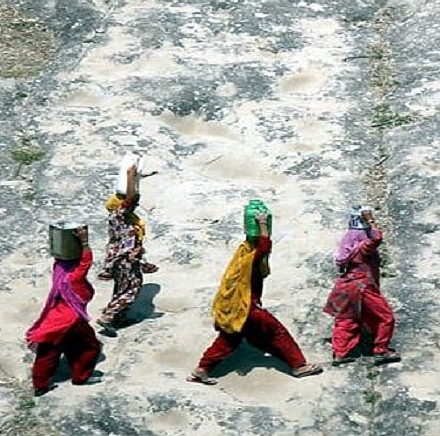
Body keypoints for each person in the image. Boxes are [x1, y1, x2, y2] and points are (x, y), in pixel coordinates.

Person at [187, 209, 323, 384]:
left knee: (229, 340)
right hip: (248, 308)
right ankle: (299, 366)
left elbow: (260, 246)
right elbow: (265, 246)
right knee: (277, 333)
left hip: (235, 308)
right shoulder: (252, 258)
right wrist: (263, 223)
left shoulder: (243, 252)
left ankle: (201, 370)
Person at [26, 225, 104, 396]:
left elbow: (62, 259)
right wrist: (84, 242)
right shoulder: (74, 277)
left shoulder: (59, 271)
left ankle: (40, 386)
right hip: (72, 320)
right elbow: (86, 262)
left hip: (54, 319)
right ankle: (81, 377)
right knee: (90, 346)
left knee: (48, 351)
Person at [324, 206, 400, 366]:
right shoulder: (362, 247)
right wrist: (370, 220)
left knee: (347, 319)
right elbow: (376, 238)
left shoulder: (347, 246)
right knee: (385, 317)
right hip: (363, 286)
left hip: (346, 286)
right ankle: (381, 350)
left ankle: (340, 353)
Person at [96, 163, 158, 336]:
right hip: (126, 259)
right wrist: (130, 177)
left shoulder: (118, 218)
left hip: (120, 259)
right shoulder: (120, 214)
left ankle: (119, 318)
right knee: (132, 288)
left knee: (122, 287)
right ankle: (108, 316)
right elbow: (132, 197)